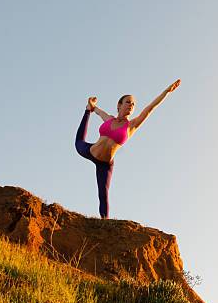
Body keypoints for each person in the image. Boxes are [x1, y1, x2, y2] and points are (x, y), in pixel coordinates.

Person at [75, 79, 181, 218]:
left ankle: (105, 223)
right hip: (90, 151)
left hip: (105, 164)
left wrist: (166, 92)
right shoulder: (109, 119)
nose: (131, 105)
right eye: (128, 102)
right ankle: (86, 112)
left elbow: (150, 108)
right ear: (119, 105)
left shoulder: (132, 126)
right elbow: (99, 112)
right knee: (78, 142)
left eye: (133, 104)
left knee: (103, 193)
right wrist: (92, 107)